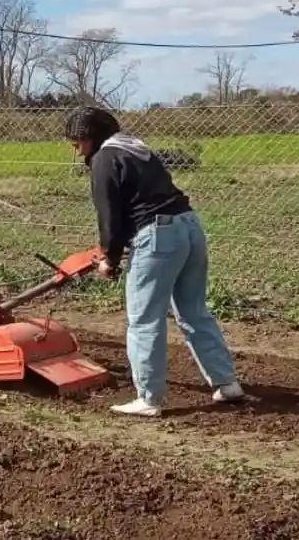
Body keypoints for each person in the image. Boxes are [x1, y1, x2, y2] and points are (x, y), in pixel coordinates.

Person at [64, 106, 245, 417]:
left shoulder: (105, 158)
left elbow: (109, 215)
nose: (76, 150)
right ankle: (227, 383)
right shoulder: (135, 147)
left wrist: (108, 257)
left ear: (92, 138)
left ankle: (148, 398)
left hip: (157, 234)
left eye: (77, 142)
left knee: (144, 318)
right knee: (194, 312)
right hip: (189, 227)